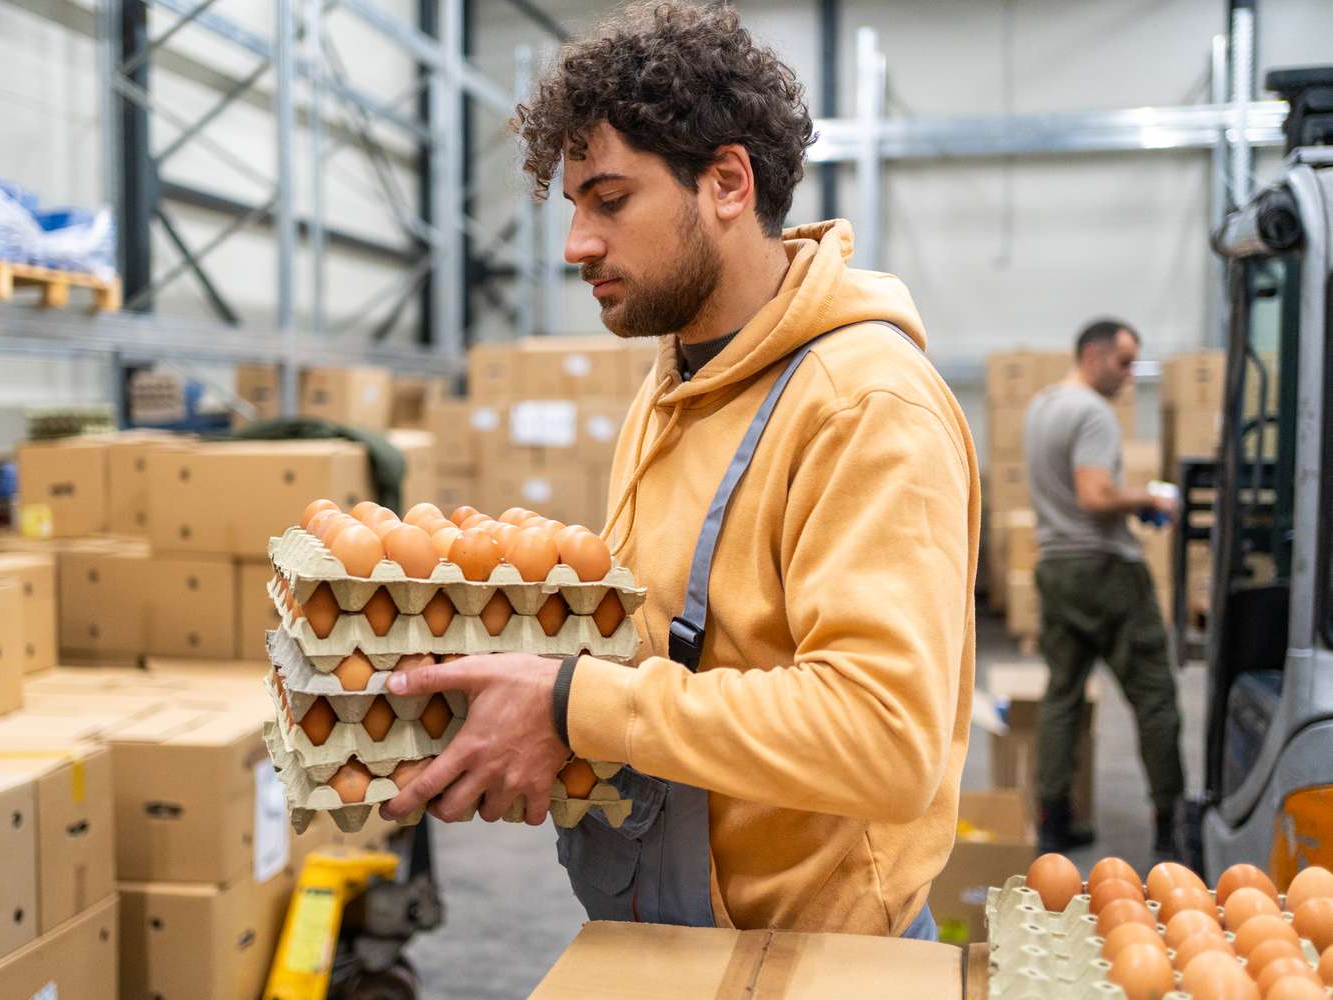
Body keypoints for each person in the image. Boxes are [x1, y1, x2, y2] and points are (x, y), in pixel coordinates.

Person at [379, 2, 978, 938]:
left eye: (610, 200)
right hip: (671, 939)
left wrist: (575, 703)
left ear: (728, 182)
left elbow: (885, 736)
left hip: (817, 964)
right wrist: (525, 696)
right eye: (573, 205)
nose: (576, 244)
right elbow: (664, 651)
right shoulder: (673, 389)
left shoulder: (863, 406)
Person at [1025, 318, 1184, 857]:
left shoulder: (1042, 406)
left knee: (1063, 698)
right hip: (1106, 570)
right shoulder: (1092, 412)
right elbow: (1094, 495)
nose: (1129, 373)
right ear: (1092, 356)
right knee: (1155, 698)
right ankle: (1172, 826)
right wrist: (1148, 500)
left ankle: (1052, 824)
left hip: (1056, 568)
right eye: (1123, 361)